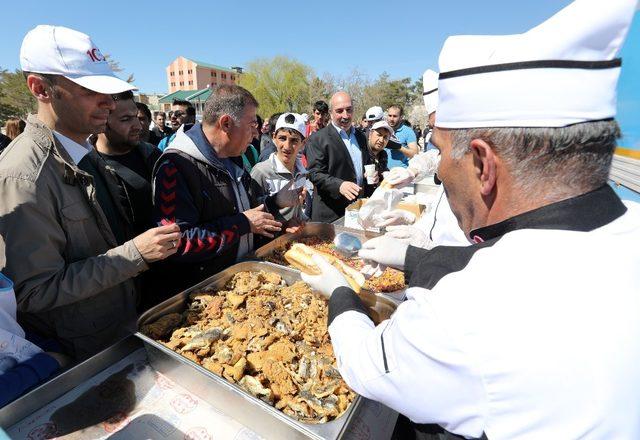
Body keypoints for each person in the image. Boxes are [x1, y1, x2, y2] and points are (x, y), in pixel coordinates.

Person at [301, 0, 640, 438]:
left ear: (482, 163)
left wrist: (342, 294)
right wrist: (412, 256)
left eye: (442, 151)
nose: (439, 170)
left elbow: (370, 364)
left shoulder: (469, 313)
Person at [0, 25, 181, 361]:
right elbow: (34, 291)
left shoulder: (84, 150)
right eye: (90, 91)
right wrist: (134, 254)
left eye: (110, 93)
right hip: (83, 351)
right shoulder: (24, 175)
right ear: (41, 88)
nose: (109, 104)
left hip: (120, 325)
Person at [151, 85, 302, 299]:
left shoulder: (232, 157)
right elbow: (178, 243)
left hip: (242, 282)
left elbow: (248, 210)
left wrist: (276, 202)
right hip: (205, 296)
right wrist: (243, 223)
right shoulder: (175, 167)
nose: (256, 134)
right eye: (251, 125)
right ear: (226, 124)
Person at [93, 91, 161, 236]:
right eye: (126, 119)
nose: (138, 126)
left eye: (136, 117)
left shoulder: (154, 156)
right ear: (101, 121)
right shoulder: (83, 168)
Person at [306, 91, 376, 223]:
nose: (345, 115)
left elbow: (365, 164)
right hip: (331, 214)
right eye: (340, 111)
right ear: (331, 113)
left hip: (357, 210)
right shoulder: (318, 139)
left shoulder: (360, 137)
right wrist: (339, 185)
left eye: (349, 110)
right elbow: (315, 174)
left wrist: (371, 175)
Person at [251, 112, 312, 227]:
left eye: (294, 140)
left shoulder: (301, 172)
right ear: (274, 138)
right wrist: (284, 225)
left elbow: (296, 211)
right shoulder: (261, 172)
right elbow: (253, 215)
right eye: (282, 138)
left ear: (303, 143)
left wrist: (302, 220)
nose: (287, 146)